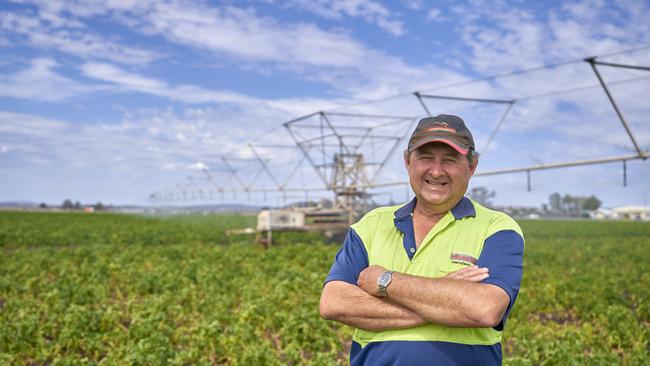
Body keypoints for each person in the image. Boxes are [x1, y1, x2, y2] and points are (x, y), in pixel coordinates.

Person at [319, 114, 524, 365]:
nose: (436, 171)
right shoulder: (371, 225)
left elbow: (485, 308)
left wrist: (385, 281)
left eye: (449, 160)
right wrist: (445, 298)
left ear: (472, 166)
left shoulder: (496, 228)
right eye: (425, 158)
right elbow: (334, 303)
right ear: (408, 161)